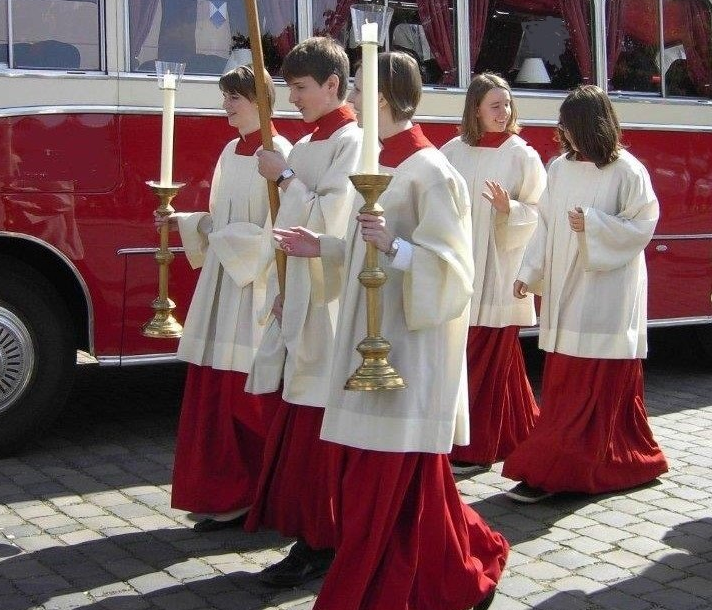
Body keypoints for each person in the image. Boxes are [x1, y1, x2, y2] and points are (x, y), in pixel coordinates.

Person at [274, 51, 507, 610]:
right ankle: (453, 570)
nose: (350, 99)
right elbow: (362, 254)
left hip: (409, 349)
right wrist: (323, 247)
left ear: (381, 99)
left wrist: (396, 247)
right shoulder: (379, 167)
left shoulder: (431, 171)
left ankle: (391, 587)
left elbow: (454, 271)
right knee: (386, 479)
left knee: (391, 478)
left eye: (357, 90)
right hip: (366, 344)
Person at [502, 84, 667, 504]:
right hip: (564, 288)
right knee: (565, 381)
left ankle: (577, 464)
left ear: (592, 126)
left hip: (606, 291)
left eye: (571, 126)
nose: (564, 134)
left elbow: (642, 226)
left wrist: (594, 225)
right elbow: (543, 223)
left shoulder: (627, 171)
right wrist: (530, 271)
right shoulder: (559, 169)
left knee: (594, 381)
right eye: (563, 126)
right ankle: (569, 458)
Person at [243, 37, 361, 586]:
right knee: (296, 416)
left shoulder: (351, 142)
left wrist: (285, 178)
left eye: (301, 88)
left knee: (318, 424)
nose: (292, 99)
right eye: (289, 88)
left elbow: (334, 220)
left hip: (329, 304)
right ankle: (309, 530)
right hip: (299, 297)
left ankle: (325, 535)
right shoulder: (312, 141)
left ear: (333, 84)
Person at [162, 65, 291, 531]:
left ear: (259, 100)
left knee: (249, 396)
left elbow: (279, 232)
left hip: (257, 288)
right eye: (225, 96)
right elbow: (218, 218)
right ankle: (221, 488)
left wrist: (220, 238)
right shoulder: (228, 151)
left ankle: (254, 490)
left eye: (233, 97)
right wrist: (184, 222)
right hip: (223, 282)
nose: (226, 105)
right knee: (216, 387)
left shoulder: (278, 154)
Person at [440, 74, 544, 475]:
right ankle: (517, 432)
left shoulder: (522, 155)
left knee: (486, 355)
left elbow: (541, 214)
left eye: (507, 104)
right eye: (495, 105)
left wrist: (510, 210)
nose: (504, 112)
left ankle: (476, 445)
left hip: (501, 270)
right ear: (475, 110)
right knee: (487, 359)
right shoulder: (453, 151)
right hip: (464, 265)